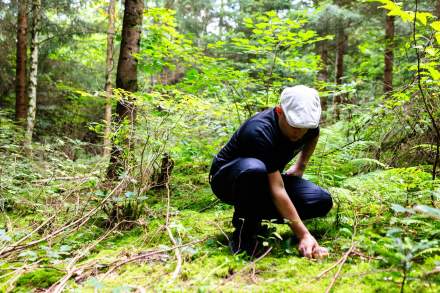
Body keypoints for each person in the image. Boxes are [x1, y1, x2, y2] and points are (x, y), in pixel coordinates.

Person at [208, 85, 332, 259]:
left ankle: (255, 212)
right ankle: (245, 234)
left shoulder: (308, 126)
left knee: (321, 200)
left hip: (263, 180)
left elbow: (313, 134)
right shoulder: (258, 130)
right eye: (294, 125)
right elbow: (277, 188)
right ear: (279, 111)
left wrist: (300, 166)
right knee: (255, 170)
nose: (299, 132)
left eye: (304, 126)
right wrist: (303, 234)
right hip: (227, 180)